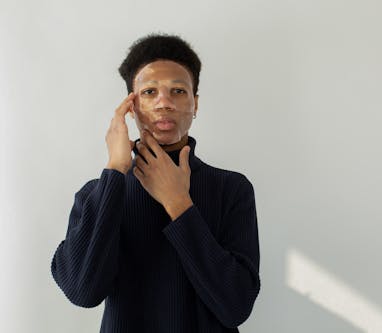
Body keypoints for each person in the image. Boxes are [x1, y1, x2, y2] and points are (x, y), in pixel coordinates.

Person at [51, 33, 260, 333]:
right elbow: (82, 292)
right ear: (131, 108)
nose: (164, 103)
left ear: (195, 104)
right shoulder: (99, 195)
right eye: (149, 92)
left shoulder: (231, 189)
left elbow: (236, 306)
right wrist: (115, 171)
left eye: (178, 91)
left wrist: (179, 204)